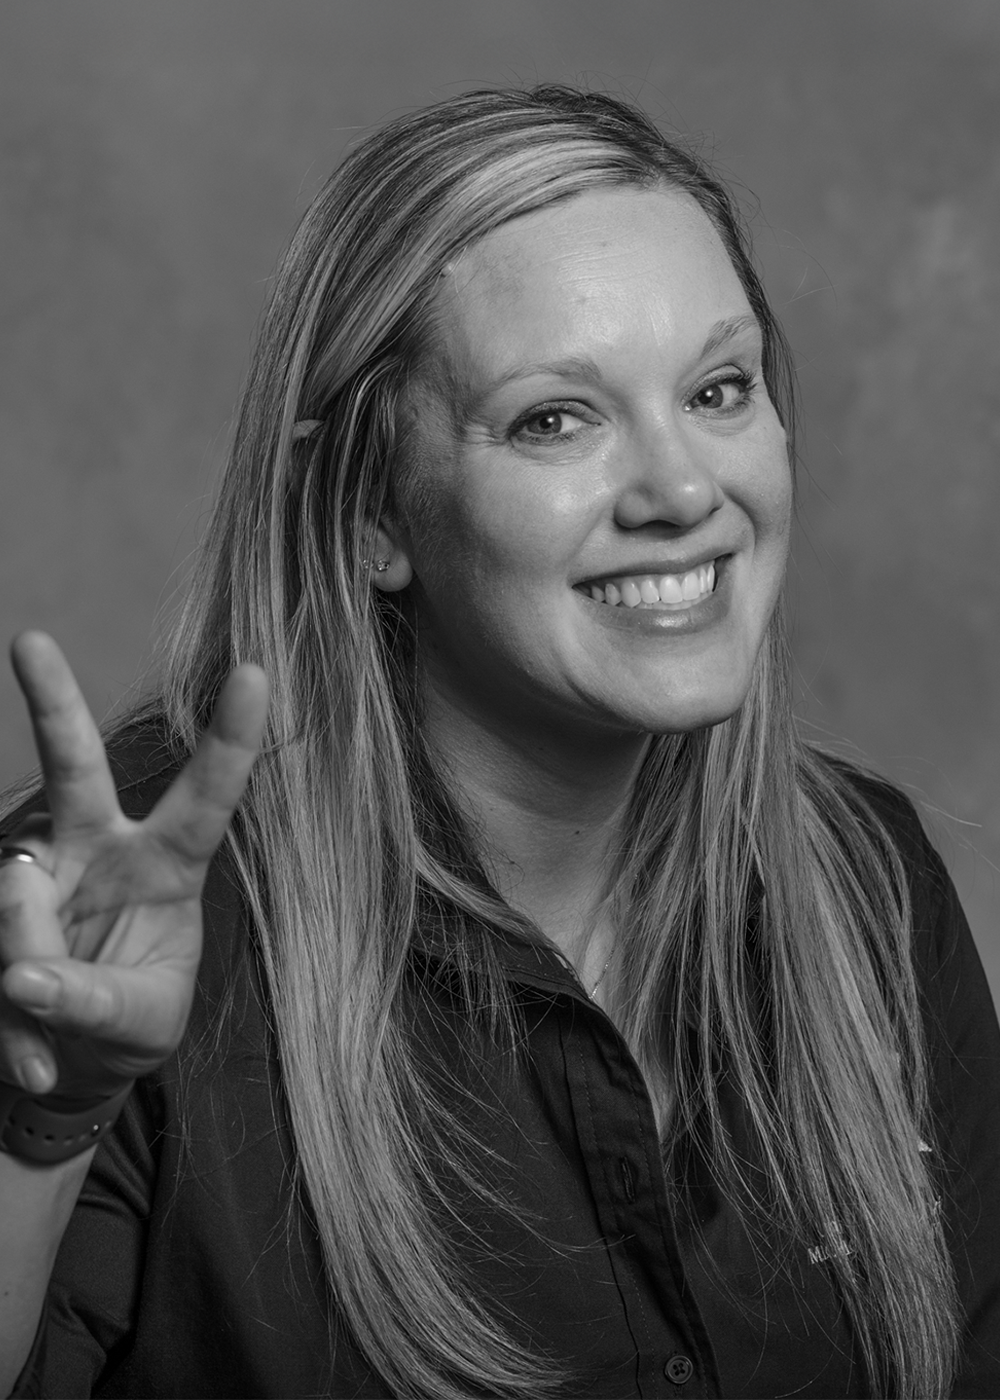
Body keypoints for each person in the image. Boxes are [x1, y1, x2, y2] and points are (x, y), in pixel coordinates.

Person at [0, 84, 997, 1400]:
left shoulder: (868, 885)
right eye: (553, 419)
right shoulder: (104, 922)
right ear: (369, 514)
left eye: (719, 388)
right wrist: (35, 1130)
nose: (685, 490)